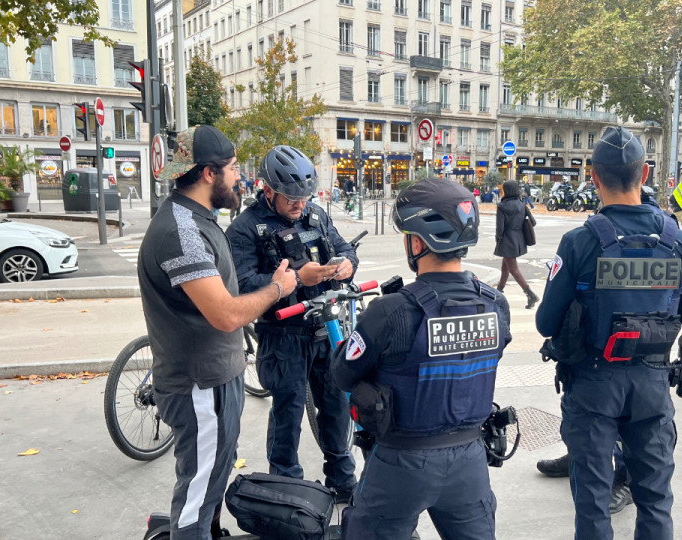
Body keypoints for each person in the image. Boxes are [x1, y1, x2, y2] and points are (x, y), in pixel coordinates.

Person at [536, 126, 682, 539]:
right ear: (644, 174)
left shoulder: (580, 243)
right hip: (652, 383)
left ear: (593, 176)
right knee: (655, 499)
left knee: (592, 502)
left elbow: (544, 323)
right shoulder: (677, 241)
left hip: (593, 385)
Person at [138, 125, 298, 539]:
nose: (239, 176)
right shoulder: (181, 232)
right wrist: (278, 288)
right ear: (209, 173)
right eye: (232, 167)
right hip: (200, 386)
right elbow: (226, 315)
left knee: (210, 480)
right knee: (197, 494)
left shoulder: (197, 219)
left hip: (214, 380)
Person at [332, 177, 512, 539]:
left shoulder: (390, 311)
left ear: (417, 242)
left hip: (401, 462)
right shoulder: (496, 305)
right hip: (470, 461)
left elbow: (342, 375)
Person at [226, 145, 359, 501]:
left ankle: (343, 481)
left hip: (325, 329)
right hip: (282, 335)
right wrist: (299, 278)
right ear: (267, 190)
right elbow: (240, 285)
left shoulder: (314, 216)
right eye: (291, 198)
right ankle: (288, 492)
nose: (300, 205)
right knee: (287, 413)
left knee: (335, 408)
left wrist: (346, 265)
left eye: (305, 197)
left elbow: (345, 249)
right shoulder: (245, 229)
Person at [495, 180, 540, 309]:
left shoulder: (501, 206)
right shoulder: (522, 205)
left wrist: (498, 240)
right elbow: (533, 222)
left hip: (507, 240)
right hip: (519, 240)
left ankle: (530, 293)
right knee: (505, 268)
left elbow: (500, 228)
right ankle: (498, 292)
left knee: (513, 269)